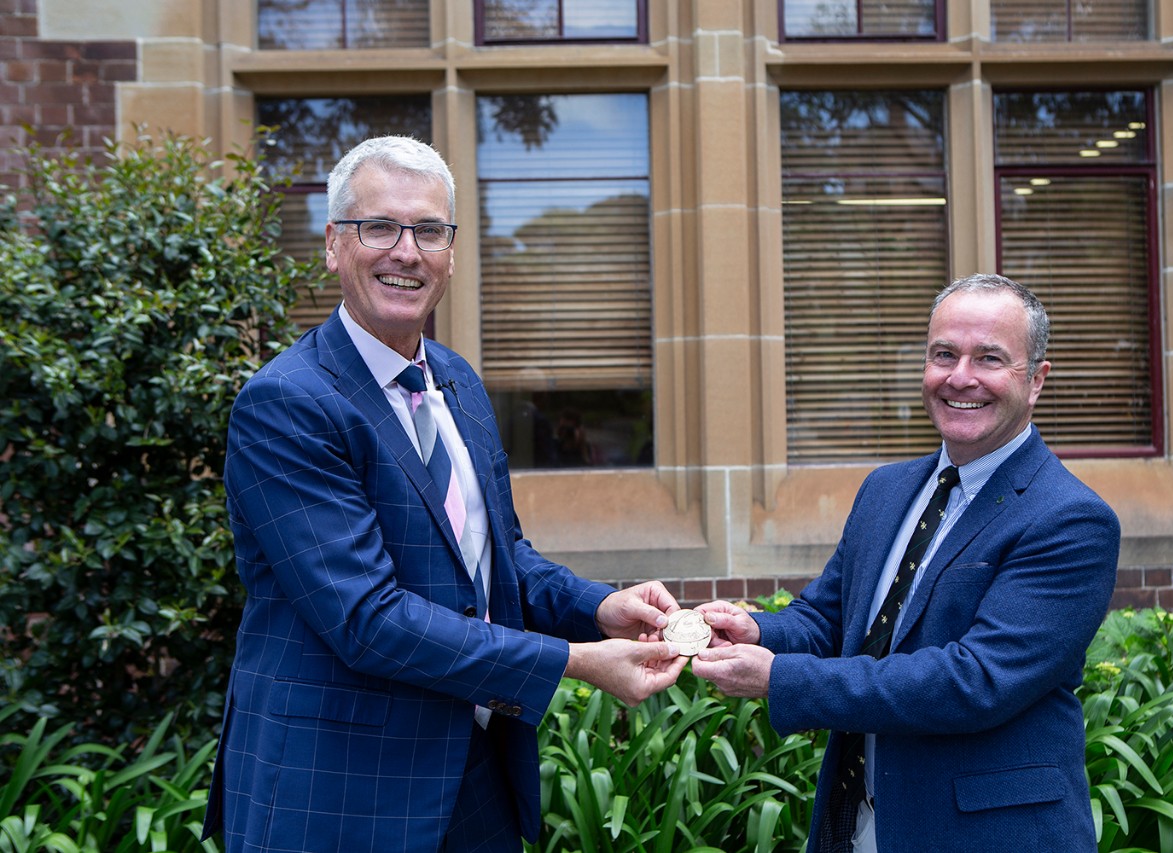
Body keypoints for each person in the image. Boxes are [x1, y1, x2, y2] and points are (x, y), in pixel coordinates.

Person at [201, 135, 686, 853]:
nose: (406, 251)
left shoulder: (456, 381)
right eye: (379, 227)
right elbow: (368, 618)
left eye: (429, 229)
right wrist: (574, 662)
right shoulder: (287, 404)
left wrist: (599, 607)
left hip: (473, 780)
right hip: (336, 797)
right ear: (334, 244)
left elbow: (499, 558)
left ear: (451, 254)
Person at [692, 273, 1120, 853]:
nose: (960, 377)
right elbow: (828, 619)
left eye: (989, 358)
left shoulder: (1069, 519)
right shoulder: (886, 490)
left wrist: (778, 677)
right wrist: (755, 630)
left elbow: (973, 681)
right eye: (944, 354)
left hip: (989, 836)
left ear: (1036, 380)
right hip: (861, 823)